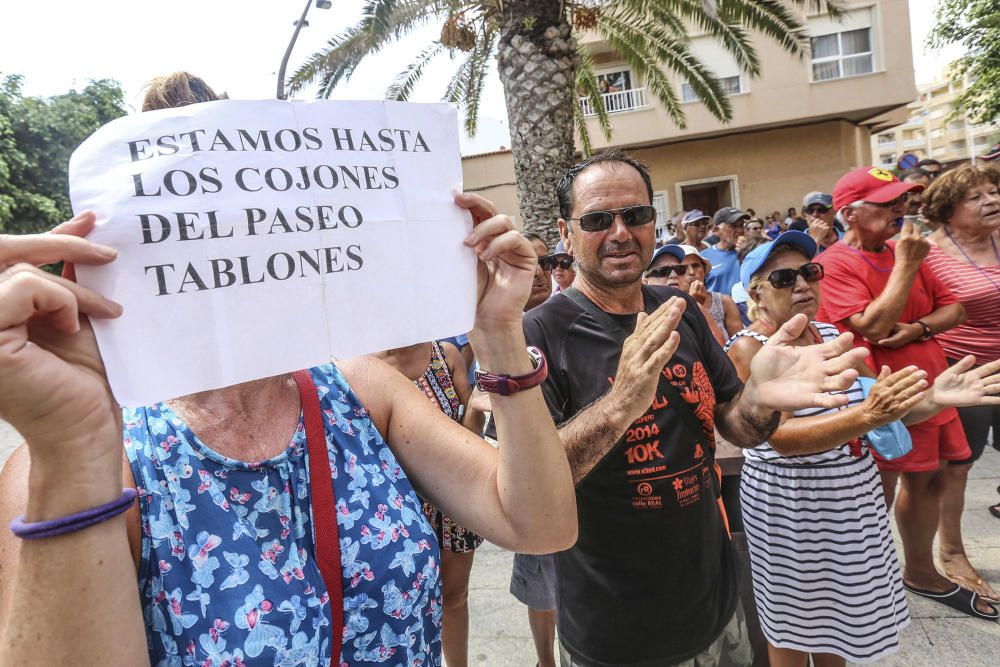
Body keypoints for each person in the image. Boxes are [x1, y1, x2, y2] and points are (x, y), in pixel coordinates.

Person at [0, 75, 579, 667]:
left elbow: (539, 526)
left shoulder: (360, 391)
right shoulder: (89, 463)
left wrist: (499, 333)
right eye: (191, 228)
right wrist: (72, 445)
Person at [513, 149, 871, 666]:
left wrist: (761, 401)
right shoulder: (540, 333)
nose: (619, 232)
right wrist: (621, 403)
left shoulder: (678, 310)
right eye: (596, 220)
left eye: (635, 215)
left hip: (715, 602)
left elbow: (734, 425)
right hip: (615, 625)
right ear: (566, 236)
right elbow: (533, 487)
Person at [726, 231, 1000, 665]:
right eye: (783, 278)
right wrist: (866, 417)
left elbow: (879, 412)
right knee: (792, 626)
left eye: (810, 272)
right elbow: (780, 438)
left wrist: (933, 399)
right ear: (755, 293)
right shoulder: (747, 347)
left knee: (842, 624)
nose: (801, 284)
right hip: (793, 504)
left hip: (852, 495)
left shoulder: (833, 333)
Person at [814, 166, 998, 620]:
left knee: (932, 478)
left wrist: (917, 326)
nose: (902, 209)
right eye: (889, 203)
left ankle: (919, 570)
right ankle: (868, 577)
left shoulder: (901, 248)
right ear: (850, 213)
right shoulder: (838, 262)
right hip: (882, 391)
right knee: (878, 484)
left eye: (902, 200)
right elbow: (872, 326)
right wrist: (909, 266)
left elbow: (954, 308)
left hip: (931, 381)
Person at [370, 337, 482, 667]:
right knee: (405, 604)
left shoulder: (444, 356)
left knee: (455, 597)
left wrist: (475, 407)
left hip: (452, 501)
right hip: (396, 510)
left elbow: (471, 432)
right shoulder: (362, 366)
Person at [923, 164, 1000, 598]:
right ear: (949, 210)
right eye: (977, 196)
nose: (991, 200)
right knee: (959, 464)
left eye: (993, 191)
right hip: (965, 369)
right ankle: (951, 551)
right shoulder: (929, 254)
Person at [643, 244, 728, 345]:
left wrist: (693, 310)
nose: (673, 275)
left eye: (679, 270)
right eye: (663, 271)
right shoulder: (638, 314)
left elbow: (720, 350)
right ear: (644, 281)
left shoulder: (696, 307)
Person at [703, 207, 747, 295]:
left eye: (741, 225)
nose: (739, 230)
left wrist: (746, 253)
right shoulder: (704, 257)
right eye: (733, 226)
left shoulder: (751, 252)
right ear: (716, 230)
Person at [901, 168, 936, 235]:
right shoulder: (892, 223)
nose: (918, 199)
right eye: (912, 193)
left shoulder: (944, 219)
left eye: (923, 192)